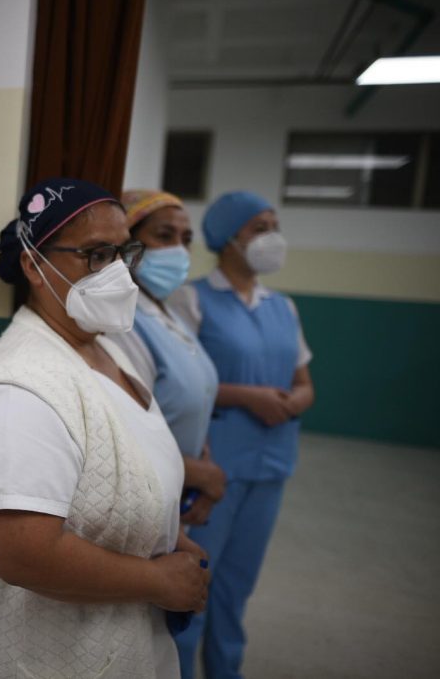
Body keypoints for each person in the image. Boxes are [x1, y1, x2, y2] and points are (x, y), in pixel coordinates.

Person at [0, 178, 210, 678]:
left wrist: (166, 537)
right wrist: (155, 580)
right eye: (97, 255)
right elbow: (24, 554)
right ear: (35, 265)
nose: (120, 272)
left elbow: (124, 468)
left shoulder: (109, 349)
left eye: (125, 252)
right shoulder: (19, 391)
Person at [166, 191, 315, 679]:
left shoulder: (283, 308)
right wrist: (250, 397)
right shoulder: (193, 300)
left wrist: (295, 400)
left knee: (237, 587)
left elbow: (304, 382)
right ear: (227, 238)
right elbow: (181, 381)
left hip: (271, 466)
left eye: (275, 225)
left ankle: (226, 671)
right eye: (259, 228)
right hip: (215, 469)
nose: (272, 238)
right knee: (197, 581)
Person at [108, 190, 227, 527]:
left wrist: (200, 463)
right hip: (138, 497)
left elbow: (197, 397)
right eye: (164, 235)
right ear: (126, 242)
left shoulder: (169, 311)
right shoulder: (120, 321)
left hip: (180, 488)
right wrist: (200, 474)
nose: (178, 248)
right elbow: (123, 439)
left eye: (186, 239)